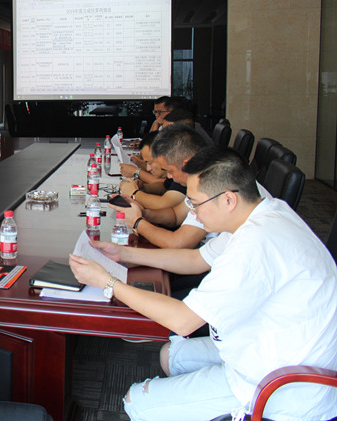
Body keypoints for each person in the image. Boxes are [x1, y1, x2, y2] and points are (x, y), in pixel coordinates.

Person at [69, 146, 337, 420]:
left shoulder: (255, 244)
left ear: (228, 199)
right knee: (170, 355)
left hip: (281, 384)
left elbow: (183, 321)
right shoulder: (262, 213)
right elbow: (197, 259)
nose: (193, 213)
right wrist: (125, 254)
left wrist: (107, 281)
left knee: (135, 401)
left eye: (196, 204)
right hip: (266, 343)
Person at [110, 124, 209, 249]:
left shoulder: (208, 188)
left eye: (170, 171)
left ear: (186, 164)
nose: (169, 176)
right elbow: (175, 215)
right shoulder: (197, 183)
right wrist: (142, 212)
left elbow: (177, 243)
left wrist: (137, 222)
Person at [119, 131, 185, 211]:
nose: (148, 168)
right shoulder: (174, 171)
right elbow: (165, 186)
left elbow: (164, 204)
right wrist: (143, 187)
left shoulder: (183, 173)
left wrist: (134, 193)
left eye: (150, 163)